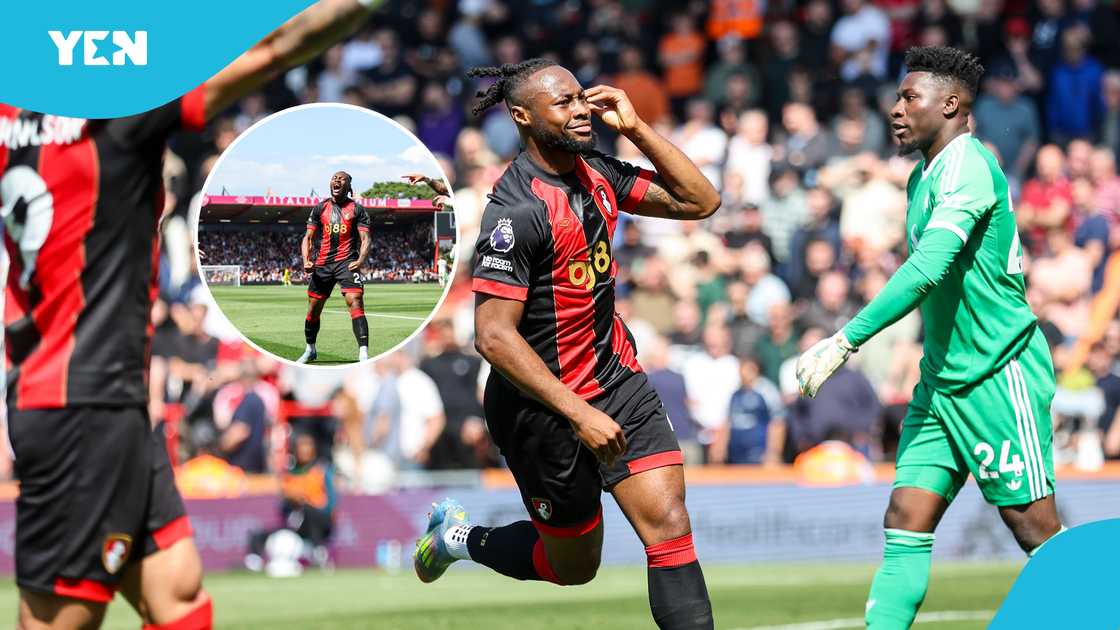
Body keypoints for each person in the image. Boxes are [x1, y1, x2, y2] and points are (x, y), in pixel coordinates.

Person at [0, 1, 384, 627]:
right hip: (78, 407)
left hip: (100, 398)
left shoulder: (12, 111)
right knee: (58, 620)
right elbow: (274, 48)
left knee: (175, 593)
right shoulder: (117, 107)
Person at [413, 59, 720, 629]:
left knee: (670, 525)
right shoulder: (516, 210)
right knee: (575, 566)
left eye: (583, 97)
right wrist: (577, 413)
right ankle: (456, 539)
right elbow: (493, 336)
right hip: (541, 409)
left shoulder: (596, 170)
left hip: (616, 380)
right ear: (523, 116)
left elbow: (700, 201)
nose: (583, 109)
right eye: (565, 103)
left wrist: (636, 129)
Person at [795, 47, 1064, 630]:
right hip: (943, 380)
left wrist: (845, 341)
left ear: (950, 104)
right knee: (906, 515)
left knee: (1034, 528)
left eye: (907, 98)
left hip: (997, 372)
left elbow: (927, 270)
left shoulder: (968, 165)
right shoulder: (924, 174)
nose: (895, 110)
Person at [298, 171, 372, 364]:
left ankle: (363, 353)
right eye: (334, 178)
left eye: (342, 179)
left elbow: (365, 238)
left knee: (355, 300)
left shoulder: (357, 209)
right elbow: (308, 237)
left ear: (349, 186)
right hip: (322, 265)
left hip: (347, 262)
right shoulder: (320, 208)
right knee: (314, 308)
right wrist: (306, 259)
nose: (337, 180)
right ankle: (310, 349)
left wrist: (362, 258)